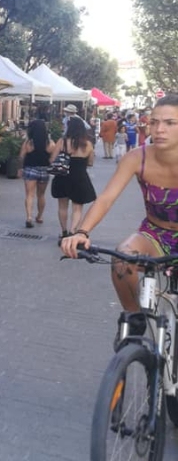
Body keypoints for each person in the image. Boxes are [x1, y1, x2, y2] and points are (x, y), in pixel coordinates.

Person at [61, 95, 178, 335]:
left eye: (169, 123)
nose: (159, 129)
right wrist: (82, 232)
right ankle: (133, 329)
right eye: (154, 122)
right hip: (154, 234)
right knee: (123, 259)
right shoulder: (137, 157)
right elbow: (106, 198)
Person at [50, 116, 96, 239]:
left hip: (63, 177)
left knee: (62, 207)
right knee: (77, 208)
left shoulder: (62, 141)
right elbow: (90, 162)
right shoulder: (88, 144)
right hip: (80, 178)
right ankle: (72, 231)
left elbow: (52, 159)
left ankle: (64, 232)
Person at [17, 119, 55, 228]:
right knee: (41, 195)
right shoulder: (50, 143)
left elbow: (21, 156)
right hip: (44, 170)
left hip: (30, 169)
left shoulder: (29, 142)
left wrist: (20, 169)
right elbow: (53, 157)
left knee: (30, 194)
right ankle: (39, 216)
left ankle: (29, 217)